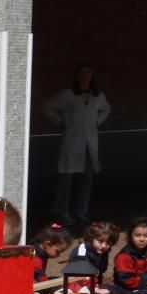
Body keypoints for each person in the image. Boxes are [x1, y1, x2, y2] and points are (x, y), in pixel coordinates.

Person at [44, 64, 112, 226]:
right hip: (72, 141)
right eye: (82, 73)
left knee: (86, 179)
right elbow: (48, 107)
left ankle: (81, 211)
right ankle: (63, 211)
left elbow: (106, 109)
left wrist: (97, 121)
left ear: (92, 76)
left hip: (89, 143)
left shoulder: (98, 96)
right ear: (76, 76)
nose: (85, 76)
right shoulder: (67, 95)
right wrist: (60, 121)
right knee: (66, 178)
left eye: (88, 73)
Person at [112, 217, 147, 294]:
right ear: (130, 236)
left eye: (146, 235)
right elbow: (126, 279)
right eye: (137, 235)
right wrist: (146, 285)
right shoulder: (124, 256)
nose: (142, 239)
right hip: (127, 288)